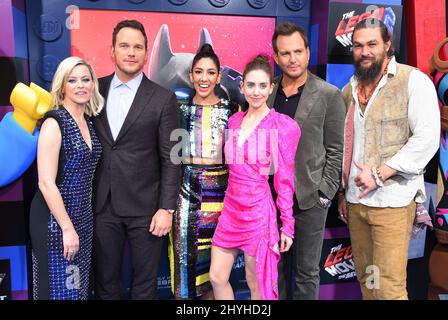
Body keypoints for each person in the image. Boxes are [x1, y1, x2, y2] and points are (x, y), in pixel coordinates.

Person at [337, 19, 440, 300]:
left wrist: (381, 173)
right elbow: (347, 147)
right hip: (357, 203)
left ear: (387, 45)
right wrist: (343, 193)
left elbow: (426, 140)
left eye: (372, 44)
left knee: (389, 289)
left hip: (392, 202)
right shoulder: (350, 89)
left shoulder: (412, 81)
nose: (365, 51)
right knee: (368, 282)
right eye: (358, 46)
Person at [92, 19, 181, 300]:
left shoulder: (164, 98)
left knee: (145, 286)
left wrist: (166, 208)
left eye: (138, 47)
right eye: (124, 46)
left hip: (147, 209)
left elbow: (172, 159)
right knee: (106, 284)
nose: (131, 52)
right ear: (113, 51)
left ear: (145, 53)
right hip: (102, 205)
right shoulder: (92, 90)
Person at [210, 55, 301, 300]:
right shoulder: (233, 121)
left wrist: (287, 227)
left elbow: (284, 181)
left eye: (262, 86)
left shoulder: (282, 126)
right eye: (250, 85)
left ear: (271, 88)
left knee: (255, 282)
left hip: (258, 214)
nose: (256, 92)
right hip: (230, 210)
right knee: (217, 277)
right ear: (242, 87)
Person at [268, 22, 346, 300]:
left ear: (308, 53)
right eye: (285, 53)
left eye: (298, 51)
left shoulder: (329, 95)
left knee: (306, 273)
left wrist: (324, 195)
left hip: (309, 200)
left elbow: (336, 150)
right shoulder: (266, 91)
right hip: (269, 199)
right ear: (276, 57)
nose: (292, 59)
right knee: (273, 271)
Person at [168, 44, 239, 300]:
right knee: (185, 266)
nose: (204, 78)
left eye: (210, 72)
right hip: (185, 194)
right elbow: (170, 156)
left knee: (216, 274)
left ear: (219, 76)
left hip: (222, 198)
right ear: (191, 76)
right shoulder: (177, 108)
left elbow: (238, 159)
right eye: (199, 72)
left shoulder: (233, 111)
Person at [29, 56, 104, 300]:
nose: (81, 85)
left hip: (82, 219)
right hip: (55, 222)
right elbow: (45, 183)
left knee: (77, 291)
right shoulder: (54, 121)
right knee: (58, 291)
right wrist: (67, 228)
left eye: (85, 79)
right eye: (73, 80)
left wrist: (76, 226)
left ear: (93, 84)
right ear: (62, 86)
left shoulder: (89, 122)